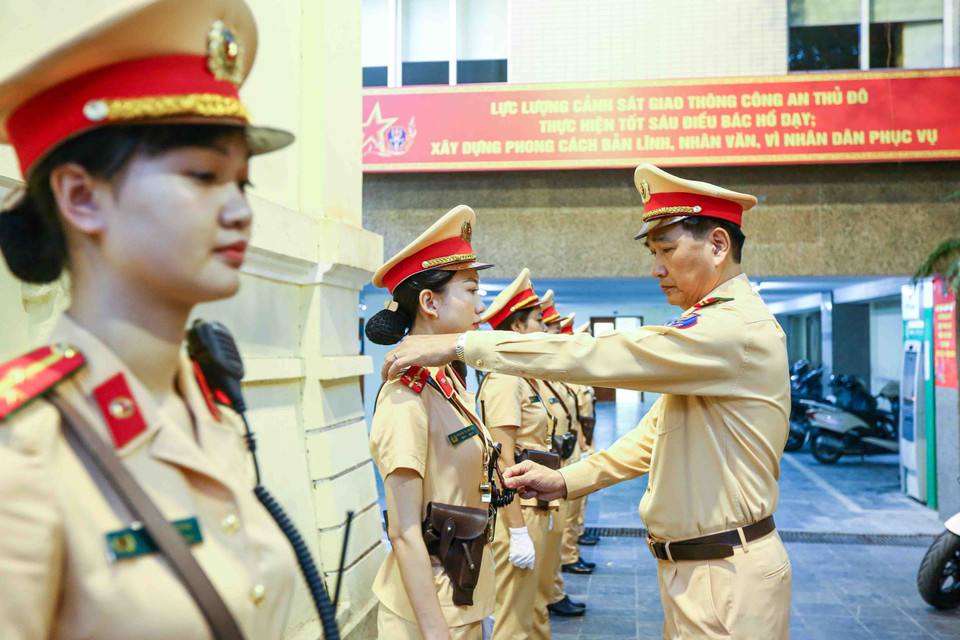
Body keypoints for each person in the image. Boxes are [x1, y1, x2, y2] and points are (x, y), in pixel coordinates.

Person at [382, 163, 793, 640]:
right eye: (654, 252)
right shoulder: (716, 328)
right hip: (700, 570)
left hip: (725, 573)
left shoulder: (733, 330)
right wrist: (565, 479)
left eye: (667, 250)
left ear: (718, 245)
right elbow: (653, 436)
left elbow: (599, 353)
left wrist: (463, 346)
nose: (656, 267)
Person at [0, 1, 300, 638]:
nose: (240, 211)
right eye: (203, 175)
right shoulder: (22, 450)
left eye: (241, 183)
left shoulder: (210, 409)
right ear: (82, 197)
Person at [366, 205, 508, 640]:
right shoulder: (407, 395)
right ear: (429, 302)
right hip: (430, 612)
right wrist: (435, 631)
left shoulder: (446, 378)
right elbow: (404, 531)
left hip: (461, 590)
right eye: (471, 289)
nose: (481, 306)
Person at [473, 269, 579, 639]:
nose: (546, 329)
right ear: (517, 327)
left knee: (536, 606)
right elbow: (502, 460)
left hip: (541, 505)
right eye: (538, 320)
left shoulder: (528, 374)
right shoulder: (505, 379)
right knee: (514, 619)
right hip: (521, 511)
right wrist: (516, 530)